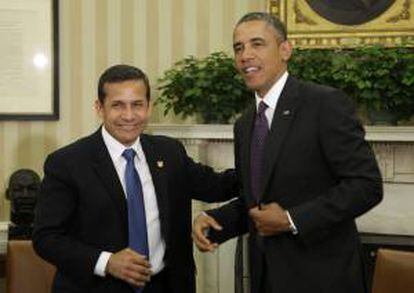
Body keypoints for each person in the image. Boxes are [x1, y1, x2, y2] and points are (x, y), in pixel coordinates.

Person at [192, 12, 383, 293]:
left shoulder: (325, 104)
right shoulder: (245, 124)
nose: (245, 55)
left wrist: (292, 220)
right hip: (265, 277)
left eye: (257, 44)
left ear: (285, 50)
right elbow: (258, 197)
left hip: (324, 278)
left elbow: (366, 186)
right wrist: (219, 221)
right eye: (238, 47)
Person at [33, 64, 238, 293]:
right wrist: (107, 262)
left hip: (165, 286)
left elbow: (219, 186)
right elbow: (46, 238)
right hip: (96, 287)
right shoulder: (67, 163)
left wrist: (268, 170)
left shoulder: (169, 152)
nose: (129, 116)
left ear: (149, 107)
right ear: (99, 108)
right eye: (117, 106)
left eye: (137, 105)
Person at [6, 169, 41, 239]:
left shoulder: (53, 231)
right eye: (18, 189)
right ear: (8, 194)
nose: (25, 195)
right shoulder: (3, 231)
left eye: (32, 189)